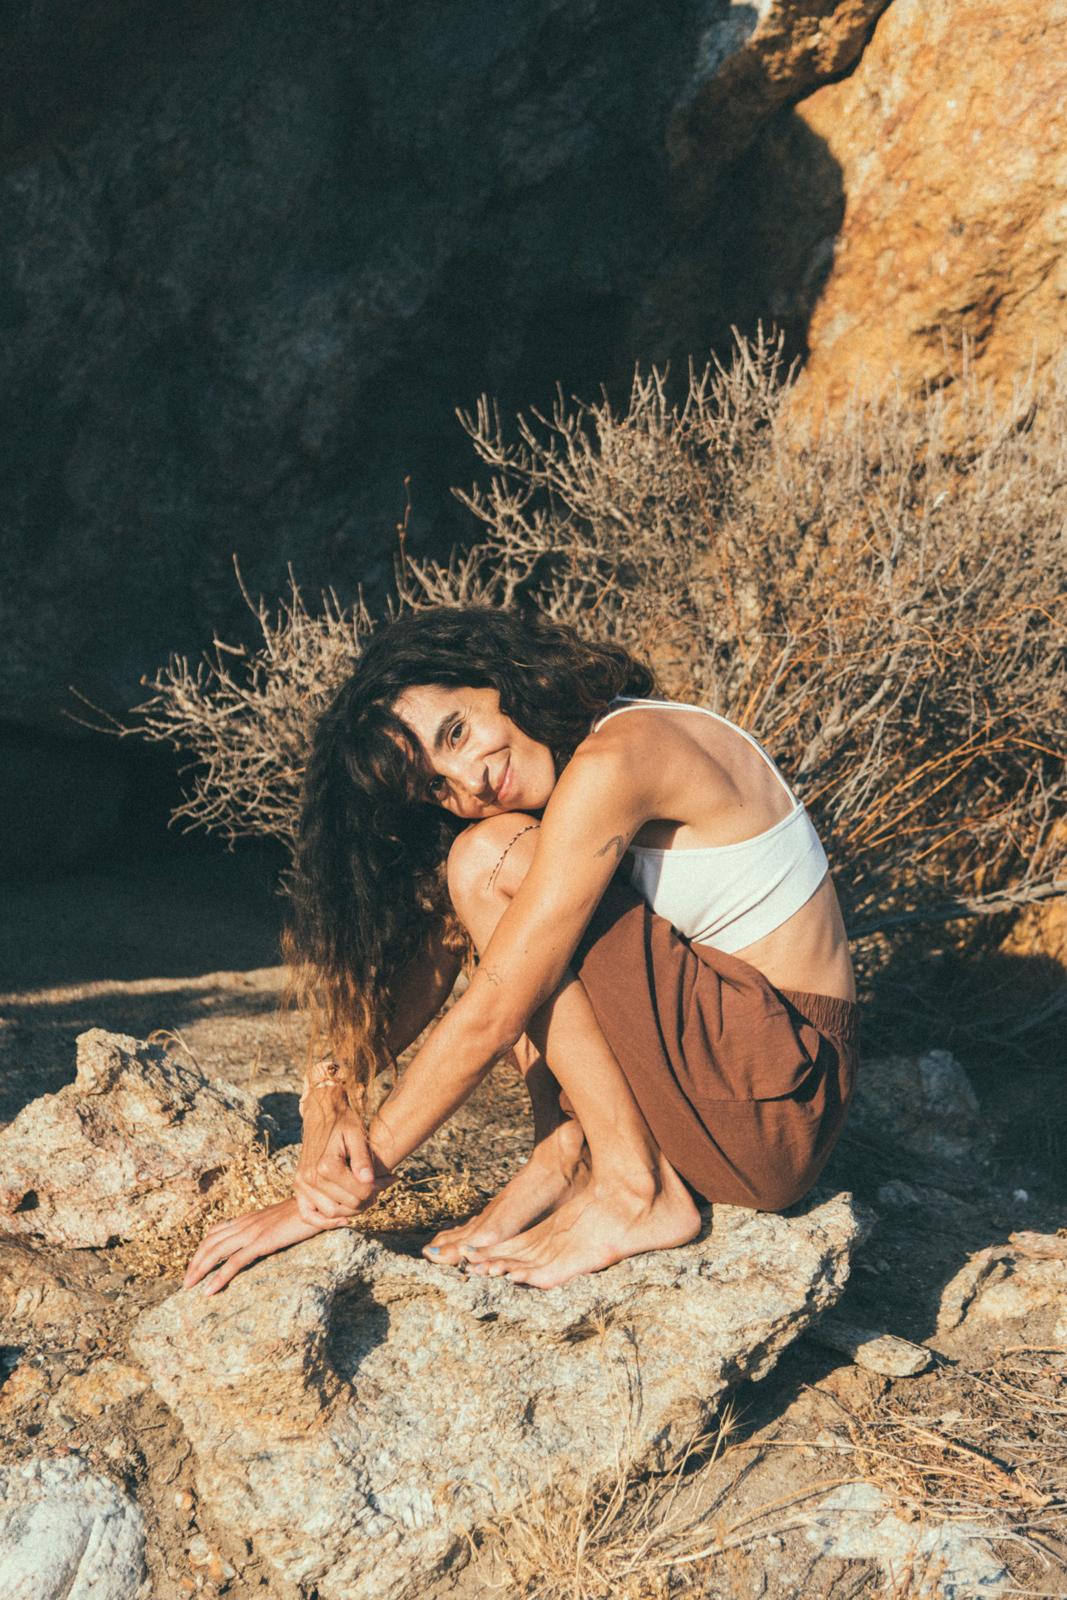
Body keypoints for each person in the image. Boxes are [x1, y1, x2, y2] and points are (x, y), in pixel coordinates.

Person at [184, 606, 857, 1296]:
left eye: (456, 733)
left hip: (775, 1103)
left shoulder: (620, 757)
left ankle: (634, 1187)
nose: (468, 781)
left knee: (487, 859)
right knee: (482, 874)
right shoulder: (566, 768)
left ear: (493, 680)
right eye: (436, 785)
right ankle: (563, 1156)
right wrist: (334, 1084)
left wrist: (324, 1199)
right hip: (745, 1091)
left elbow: (496, 1008)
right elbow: (441, 951)